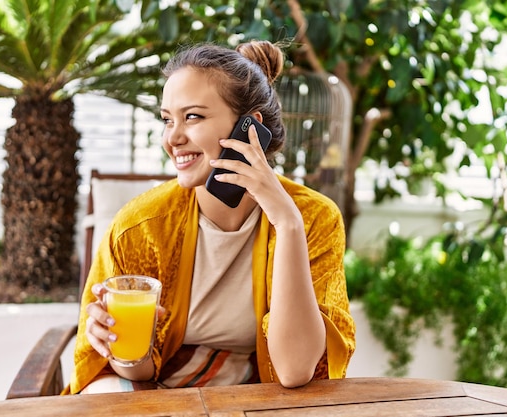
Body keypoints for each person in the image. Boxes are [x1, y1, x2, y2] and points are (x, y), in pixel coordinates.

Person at [66, 40, 355, 394]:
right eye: (167, 120)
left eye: (193, 117)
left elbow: (295, 372)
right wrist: (122, 348)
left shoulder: (312, 218)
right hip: (159, 393)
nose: (172, 137)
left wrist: (288, 224)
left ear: (249, 127)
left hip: (253, 396)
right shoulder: (140, 227)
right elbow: (137, 375)